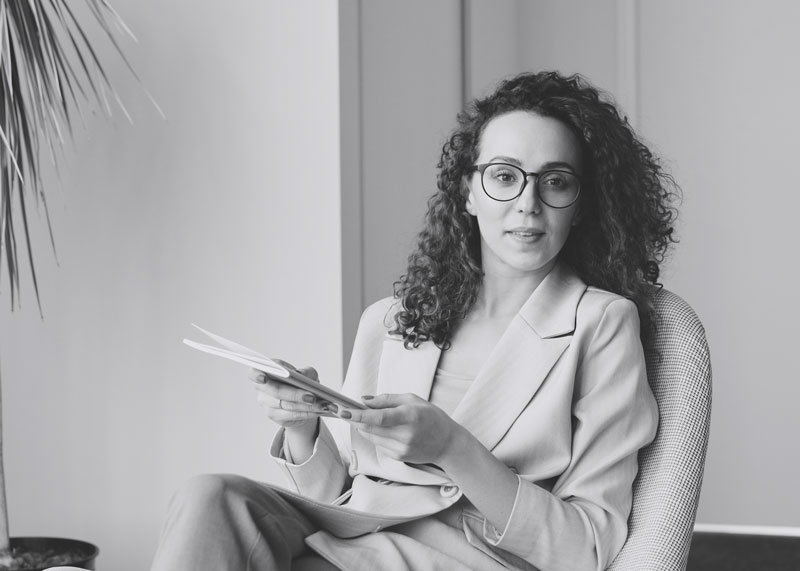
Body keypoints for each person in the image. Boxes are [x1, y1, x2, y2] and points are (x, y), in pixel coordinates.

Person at [151, 71, 678, 571]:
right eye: (503, 176)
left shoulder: (602, 323)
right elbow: (346, 498)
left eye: (556, 182)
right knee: (211, 496)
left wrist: (453, 448)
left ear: (580, 205)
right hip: (353, 545)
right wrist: (303, 426)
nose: (527, 204)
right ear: (468, 192)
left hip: (465, 560)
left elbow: (587, 547)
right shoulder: (392, 321)